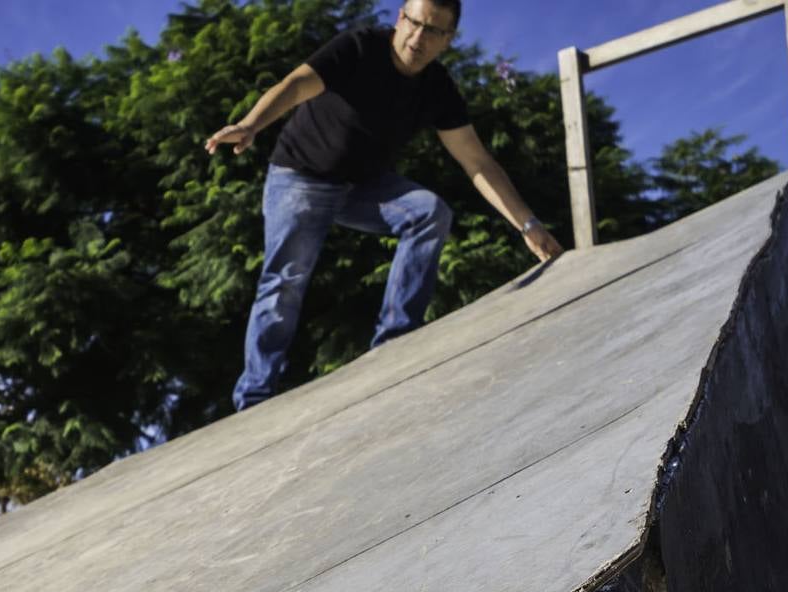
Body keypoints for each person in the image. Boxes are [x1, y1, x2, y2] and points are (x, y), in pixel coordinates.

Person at [205, 0, 564, 411]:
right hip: (300, 178)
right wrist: (251, 124)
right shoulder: (359, 47)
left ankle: (394, 345)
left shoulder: (438, 89)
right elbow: (297, 84)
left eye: (433, 31)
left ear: (447, 40)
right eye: (414, 23)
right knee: (286, 280)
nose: (418, 38)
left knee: (430, 213)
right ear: (400, 18)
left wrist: (528, 224)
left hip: (361, 188)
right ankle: (254, 397)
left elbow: (476, 161)